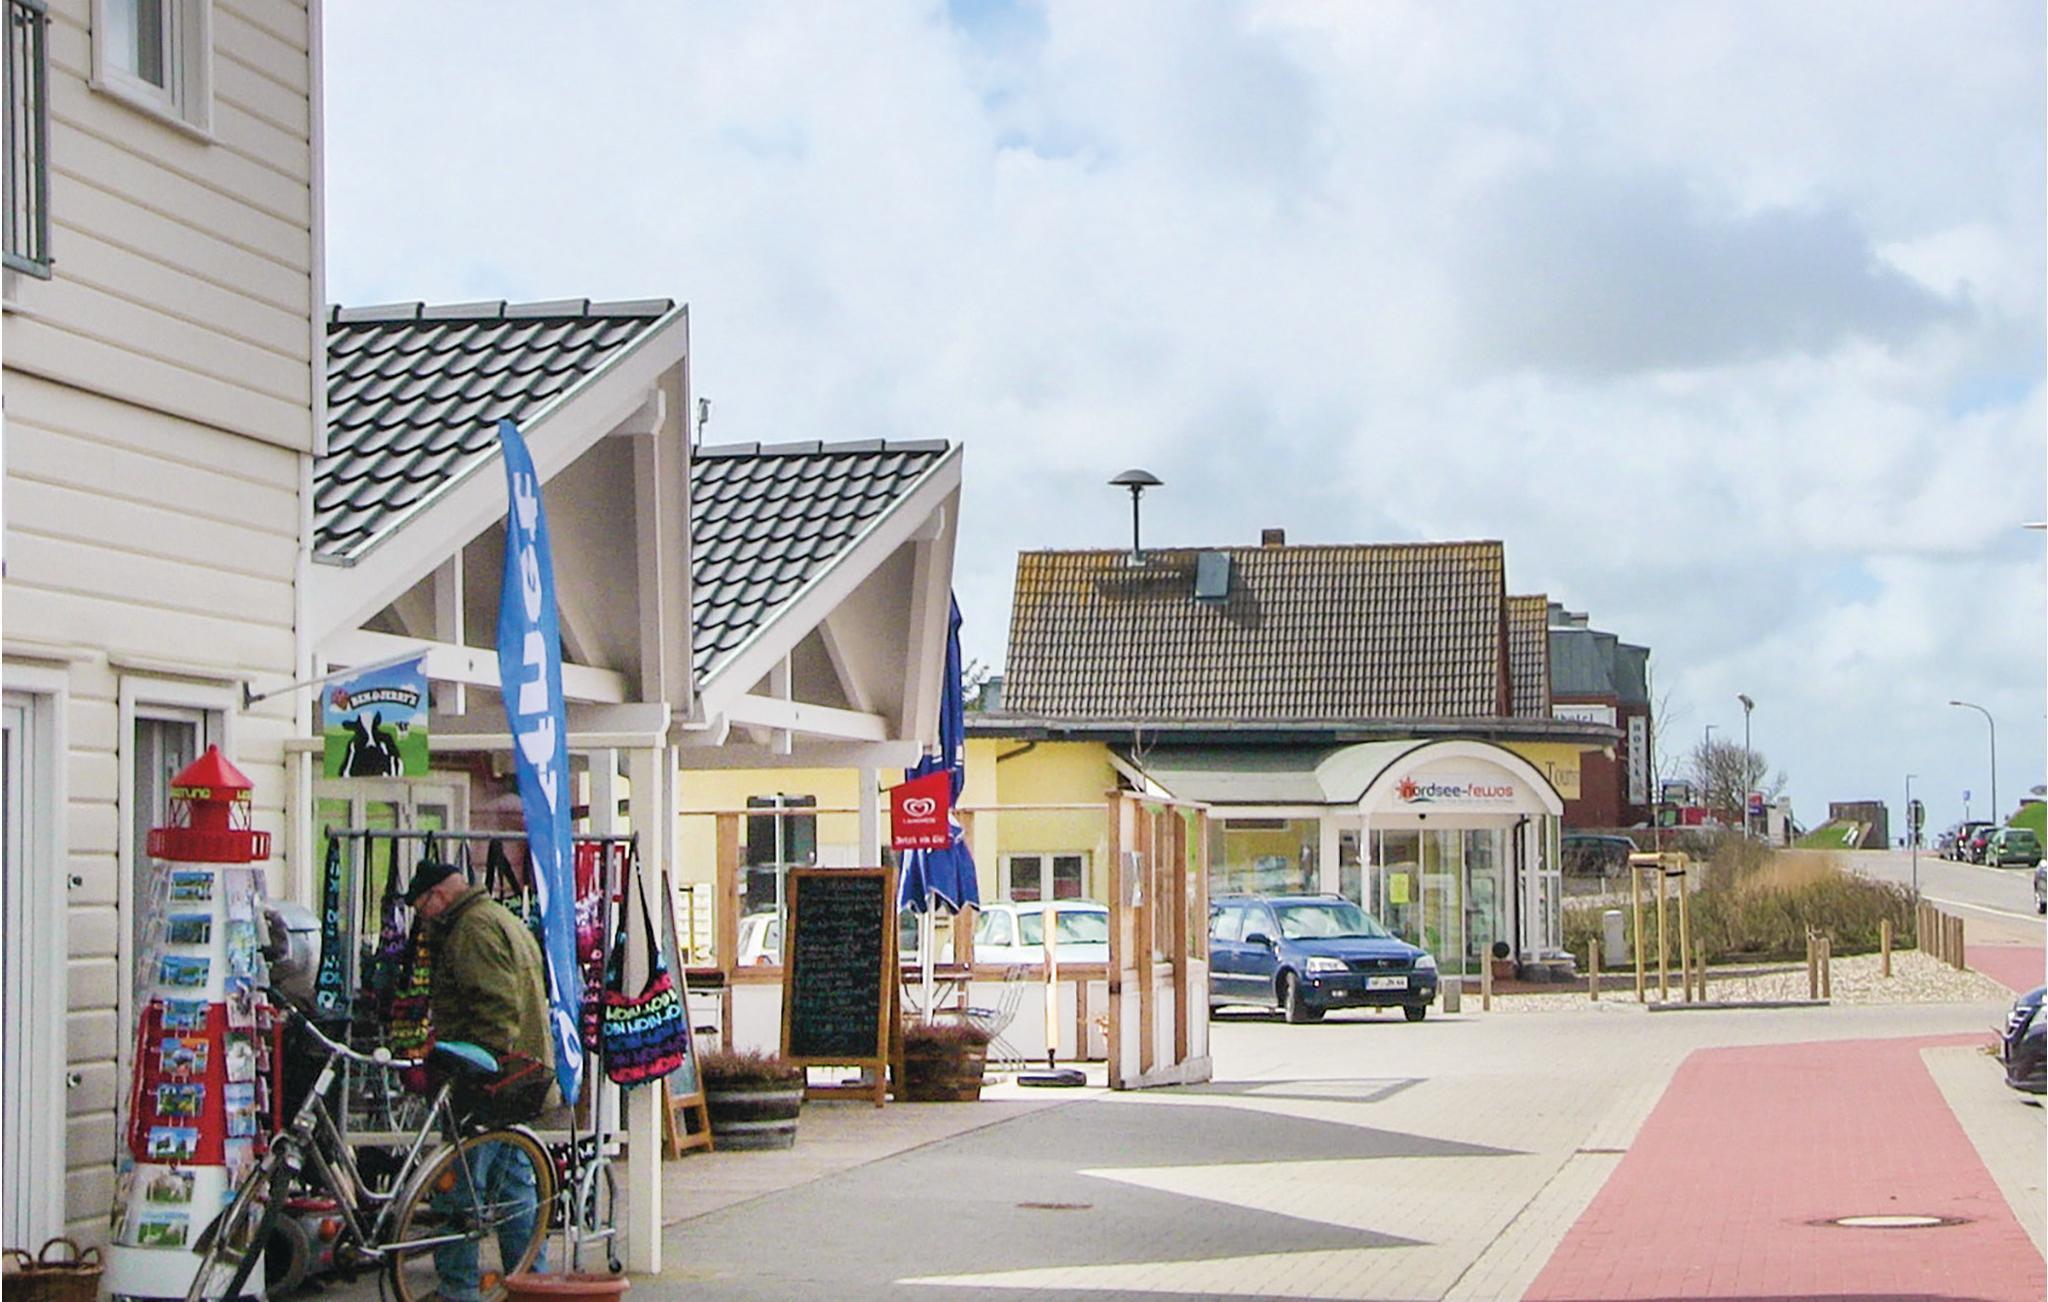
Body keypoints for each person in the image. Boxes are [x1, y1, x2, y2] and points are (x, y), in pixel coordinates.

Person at [405, 858, 555, 1300]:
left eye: (421, 908)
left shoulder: (472, 930)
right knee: (514, 1186)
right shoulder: (499, 918)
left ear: (438, 896)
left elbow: (495, 1011)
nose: (422, 919)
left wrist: (471, 1071)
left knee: (457, 1189)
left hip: (487, 1081)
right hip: (519, 1076)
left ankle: (459, 1290)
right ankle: (531, 1281)